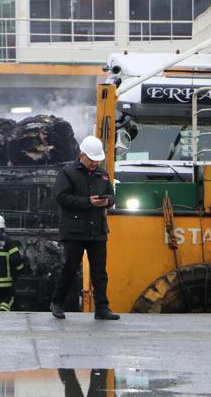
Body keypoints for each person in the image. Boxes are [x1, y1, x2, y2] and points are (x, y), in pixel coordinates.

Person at [50, 135, 120, 321]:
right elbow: (61, 197)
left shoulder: (102, 174)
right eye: (92, 160)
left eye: (98, 161)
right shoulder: (67, 173)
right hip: (75, 231)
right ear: (82, 155)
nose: (95, 164)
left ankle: (102, 309)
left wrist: (107, 201)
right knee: (70, 268)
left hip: (97, 230)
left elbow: (112, 195)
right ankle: (57, 302)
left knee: (99, 271)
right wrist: (87, 202)